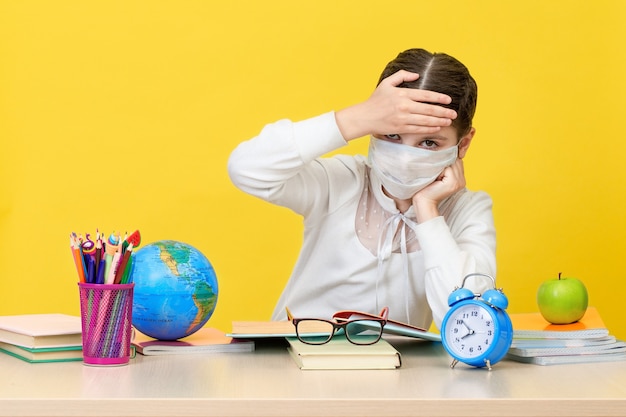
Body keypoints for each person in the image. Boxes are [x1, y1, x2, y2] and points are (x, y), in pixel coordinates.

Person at [228, 48, 495, 330]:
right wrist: (357, 117)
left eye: (429, 143)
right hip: (295, 359)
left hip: (396, 372)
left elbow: (469, 321)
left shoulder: (469, 210)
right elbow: (246, 169)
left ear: (463, 144)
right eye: (392, 134)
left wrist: (428, 212)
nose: (405, 157)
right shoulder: (341, 182)